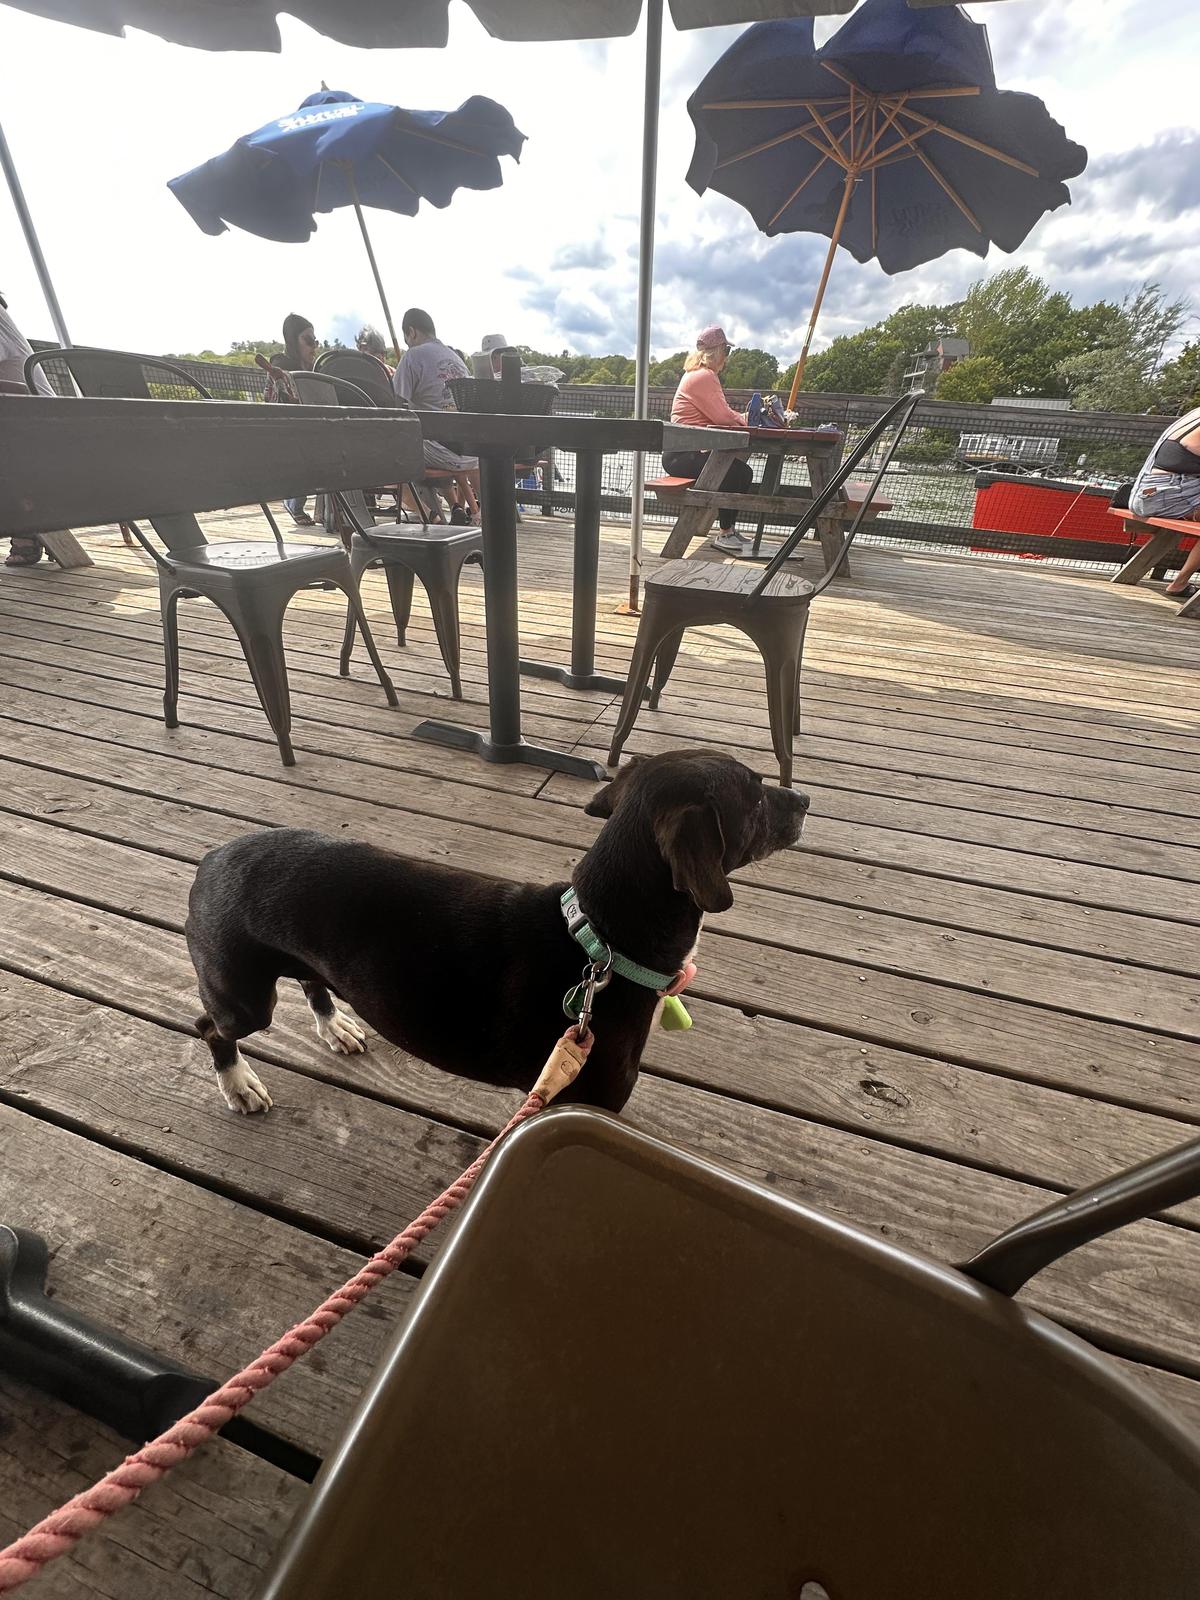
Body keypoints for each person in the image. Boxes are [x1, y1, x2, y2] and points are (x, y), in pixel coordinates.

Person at [661, 325, 753, 555]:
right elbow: (722, 415)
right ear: (717, 351)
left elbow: (720, 414)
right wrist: (746, 419)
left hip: (681, 454)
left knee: (738, 472)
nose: (727, 358)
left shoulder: (695, 374)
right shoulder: (705, 376)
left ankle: (727, 530)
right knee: (738, 474)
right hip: (683, 456)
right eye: (726, 351)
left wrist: (740, 418)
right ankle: (726, 532)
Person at [394, 307, 480, 523]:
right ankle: (456, 507)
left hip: (441, 451)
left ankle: (430, 515)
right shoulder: (455, 357)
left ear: (411, 332)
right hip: (469, 453)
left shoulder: (412, 356)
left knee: (385, 456)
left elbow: (394, 406)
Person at [1, 289, 58, 566]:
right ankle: (25, 529)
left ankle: (25, 528)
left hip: (30, 440)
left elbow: (19, 392)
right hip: (40, 435)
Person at [1129, 404, 1200, 597]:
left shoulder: (1195, 414)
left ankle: (1180, 582)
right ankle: (1180, 583)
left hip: (1147, 493)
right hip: (1166, 496)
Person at [269, 313, 319, 526]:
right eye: (308, 340)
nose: (314, 346)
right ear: (293, 340)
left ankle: (328, 510)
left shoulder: (313, 369)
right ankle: (294, 503)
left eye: (315, 341)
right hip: (287, 430)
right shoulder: (281, 367)